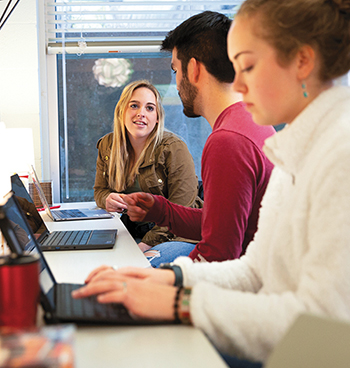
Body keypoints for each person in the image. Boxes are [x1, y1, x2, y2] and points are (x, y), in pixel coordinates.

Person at [72, 0, 350, 366]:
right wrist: (169, 280)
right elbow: (254, 269)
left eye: (247, 65)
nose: (238, 81)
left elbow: (324, 335)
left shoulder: (338, 152)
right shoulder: (293, 147)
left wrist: (180, 302)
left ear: (302, 61)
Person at [125, 11, 275, 267]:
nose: (177, 83)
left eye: (176, 70)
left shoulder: (227, 141)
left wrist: (156, 281)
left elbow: (218, 254)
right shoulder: (252, 122)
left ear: (193, 69)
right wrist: (160, 210)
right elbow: (220, 224)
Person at [93, 80, 202, 251]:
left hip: (178, 236)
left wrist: (144, 246)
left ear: (157, 118)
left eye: (150, 108)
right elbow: (100, 190)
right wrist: (106, 199)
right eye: (134, 105)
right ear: (122, 111)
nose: (141, 113)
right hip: (133, 232)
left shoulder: (173, 148)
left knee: (145, 269)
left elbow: (182, 212)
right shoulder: (107, 144)